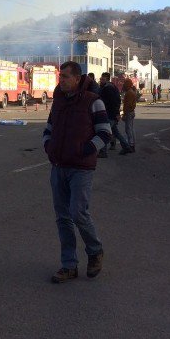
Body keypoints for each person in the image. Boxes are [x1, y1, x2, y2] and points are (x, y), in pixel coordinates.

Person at [43, 61, 111, 283]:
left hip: (81, 168)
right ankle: (68, 265)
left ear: (77, 78)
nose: (60, 80)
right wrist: (48, 145)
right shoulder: (59, 101)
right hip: (58, 166)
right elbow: (49, 127)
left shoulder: (94, 101)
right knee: (62, 218)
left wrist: (85, 151)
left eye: (64, 76)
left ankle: (95, 251)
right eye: (60, 76)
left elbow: (104, 133)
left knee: (78, 213)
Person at [98, 72, 131, 156]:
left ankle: (103, 152)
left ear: (106, 79)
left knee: (104, 132)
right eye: (101, 79)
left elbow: (112, 102)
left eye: (102, 79)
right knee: (116, 132)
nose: (101, 80)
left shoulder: (108, 88)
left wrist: (115, 113)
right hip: (112, 114)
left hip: (109, 114)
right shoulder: (112, 87)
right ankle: (126, 147)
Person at [120, 78, 136, 154]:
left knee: (128, 129)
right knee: (131, 129)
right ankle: (132, 144)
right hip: (131, 112)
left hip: (129, 113)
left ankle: (131, 145)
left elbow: (127, 105)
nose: (124, 85)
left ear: (127, 84)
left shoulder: (129, 93)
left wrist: (124, 114)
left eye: (125, 83)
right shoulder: (131, 92)